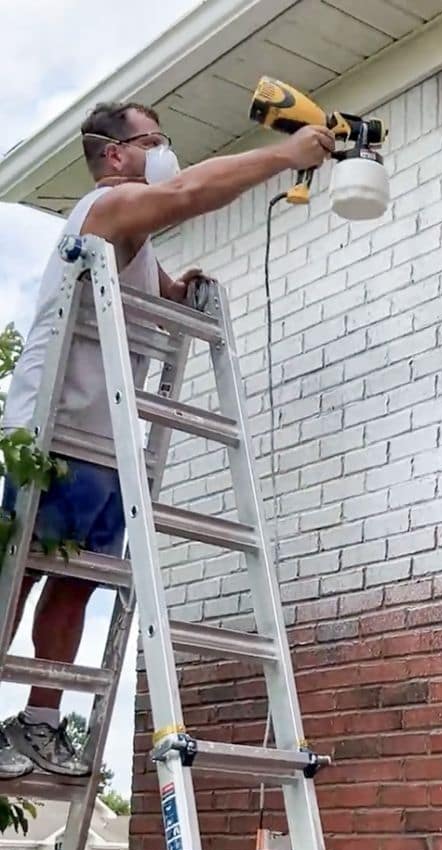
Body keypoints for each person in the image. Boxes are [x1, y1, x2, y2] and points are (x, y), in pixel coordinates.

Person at [0, 101, 333, 778]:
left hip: (107, 442)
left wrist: (182, 292)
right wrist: (284, 156)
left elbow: (149, 295)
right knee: (19, 576)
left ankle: (38, 721)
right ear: (116, 155)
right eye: (154, 140)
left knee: (75, 587)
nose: (166, 152)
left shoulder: (135, 245)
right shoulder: (105, 209)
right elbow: (185, 193)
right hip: (56, 432)